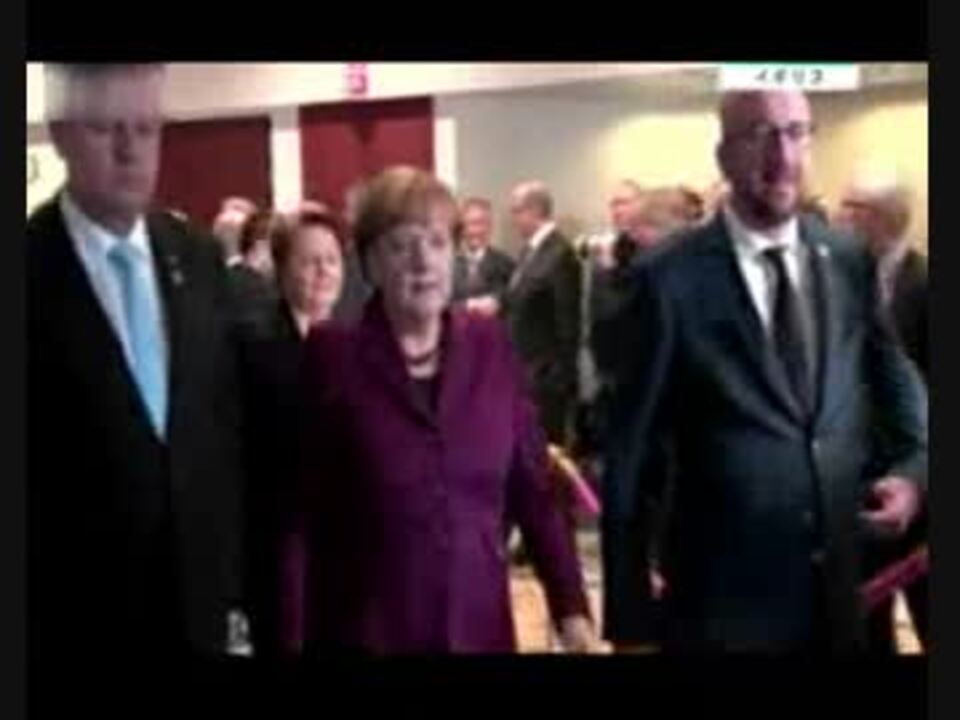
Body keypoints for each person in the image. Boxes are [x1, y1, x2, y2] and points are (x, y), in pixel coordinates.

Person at [601, 90, 928, 653]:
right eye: (761, 136)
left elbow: (900, 389)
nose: (783, 157)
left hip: (839, 599)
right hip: (720, 606)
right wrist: (630, 617)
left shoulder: (847, 260)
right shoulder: (667, 279)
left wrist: (914, 475)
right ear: (724, 154)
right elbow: (628, 451)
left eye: (797, 133)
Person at [278, 166, 596, 654]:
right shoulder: (332, 357)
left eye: (437, 242)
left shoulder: (490, 348)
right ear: (370, 264)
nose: (423, 261)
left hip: (479, 626)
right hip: (370, 631)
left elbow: (533, 490)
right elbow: (298, 516)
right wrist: (289, 636)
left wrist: (571, 611)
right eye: (401, 246)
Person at [27, 64, 245, 660]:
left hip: (200, 612)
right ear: (61, 133)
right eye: (106, 129)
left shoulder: (196, 257)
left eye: (146, 129)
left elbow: (222, 426)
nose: (131, 152)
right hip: (74, 620)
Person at [238, 211, 345, 657]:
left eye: (332, 260)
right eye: (309, 261)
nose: (324, 271)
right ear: (280, 269)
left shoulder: (357, 342)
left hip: (348, 542)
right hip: (281, 540)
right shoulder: (252, 345)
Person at [837, 177, 928, 651]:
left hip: (921, 486)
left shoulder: (926, 283)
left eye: (850, 205)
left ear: (882, 215)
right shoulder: (841, 282)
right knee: (868, 630)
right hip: (861, 492)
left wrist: (916, 474)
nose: (839, 215)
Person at [497, 180, 582, 449]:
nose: (513, 219)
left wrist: (557, 380)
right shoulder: (530, 251)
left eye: (516, 211)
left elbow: (568, 324)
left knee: (546, 453)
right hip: (523, 371)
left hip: (545, 381)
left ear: (535, 210)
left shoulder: (560, 253)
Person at [452, 197, 516, 302]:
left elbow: (513, 303)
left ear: (490, 227)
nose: (477, 230)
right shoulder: (448, 265)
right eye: (471, 224)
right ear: (462, 229)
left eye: (481, 223)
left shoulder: (506, 265)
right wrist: (467, 305)